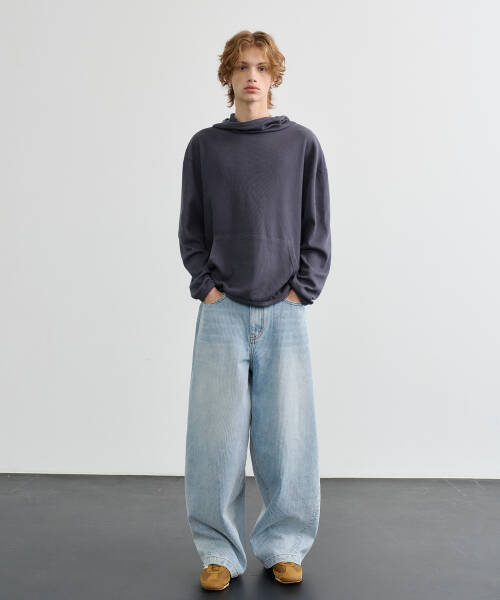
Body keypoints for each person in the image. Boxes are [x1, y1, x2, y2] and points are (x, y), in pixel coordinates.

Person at [178, 30, 332, 591]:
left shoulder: (300, 144)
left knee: (288, 438)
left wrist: (302, 289)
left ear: (274, 77)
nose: (251, 77)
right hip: (222, 311)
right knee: (214, 441)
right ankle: (218, 553)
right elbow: (191, 226)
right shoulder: (205, 147)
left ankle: (284, 546)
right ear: (228, 76)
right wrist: (206, 286)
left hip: (285, 312)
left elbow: (317, 224)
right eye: (242, 67)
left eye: (261, 68)